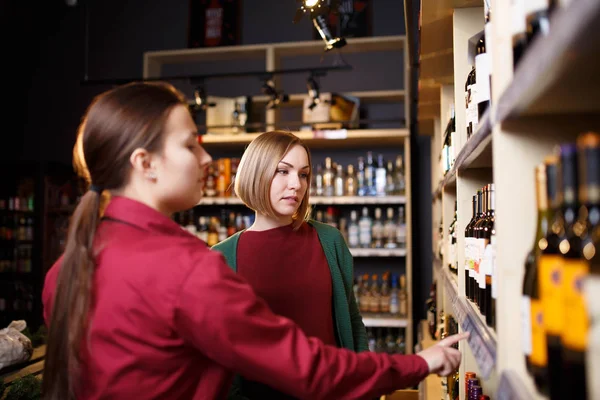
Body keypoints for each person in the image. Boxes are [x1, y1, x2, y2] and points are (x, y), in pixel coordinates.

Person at [41, 81, 468, 400]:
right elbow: (302, 364)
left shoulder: (64, 271)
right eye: (192, 145)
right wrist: (419, 363)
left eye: (303, 175)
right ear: (145, 163)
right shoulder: (191, 268)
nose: (208, 159)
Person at [212, 131, 367, 399]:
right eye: (283, 171)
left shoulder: (329, 241)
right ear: (256, 174)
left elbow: (352, 322)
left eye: (303, 174)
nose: (296, 184)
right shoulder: (221, 258)